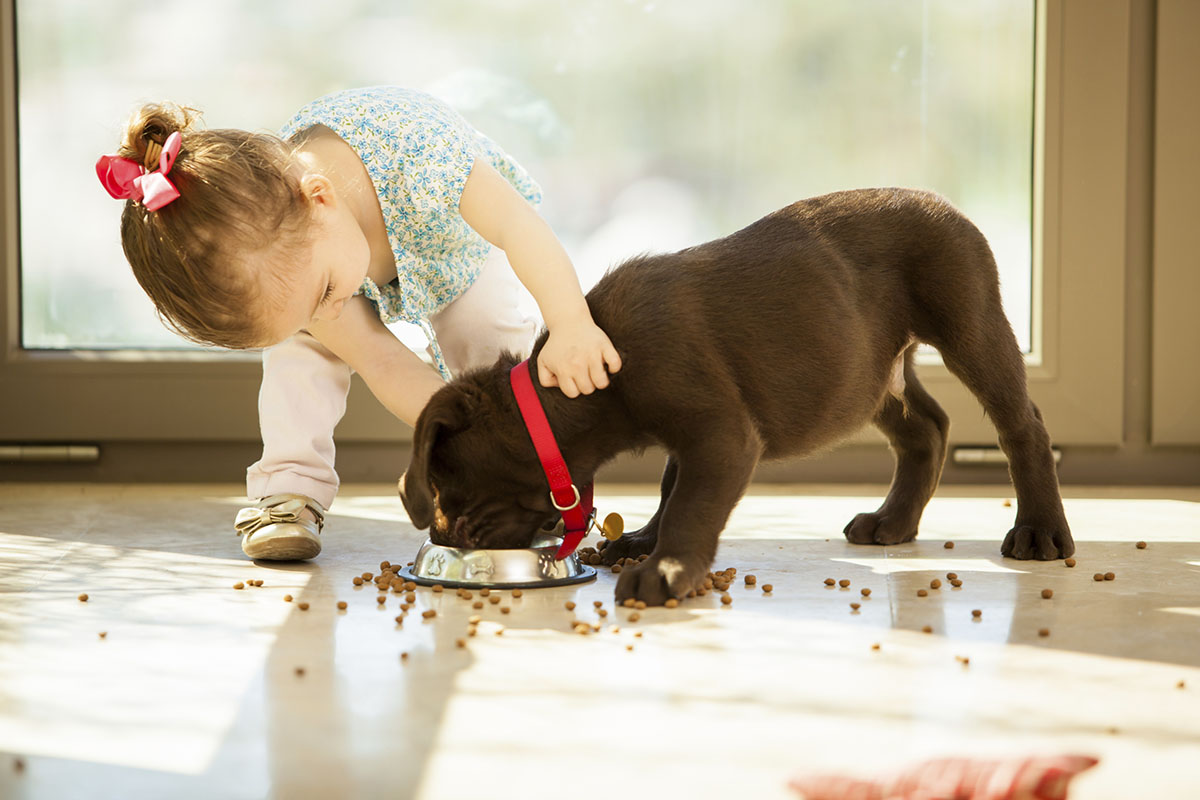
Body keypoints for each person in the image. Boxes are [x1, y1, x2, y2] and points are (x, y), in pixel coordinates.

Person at [96, 85, 621, 561]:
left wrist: (571, 321)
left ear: (320, 197)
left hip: (453, 248)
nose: (328, 314)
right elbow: (379, 358)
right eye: (308, 311)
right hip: (333, 258)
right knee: (300, 355)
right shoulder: (300, 263)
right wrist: (449, 437)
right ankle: (289, 488)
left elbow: (517, 226)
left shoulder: (422, 155)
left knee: (489, 332)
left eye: (323, 295)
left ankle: (520, 477)